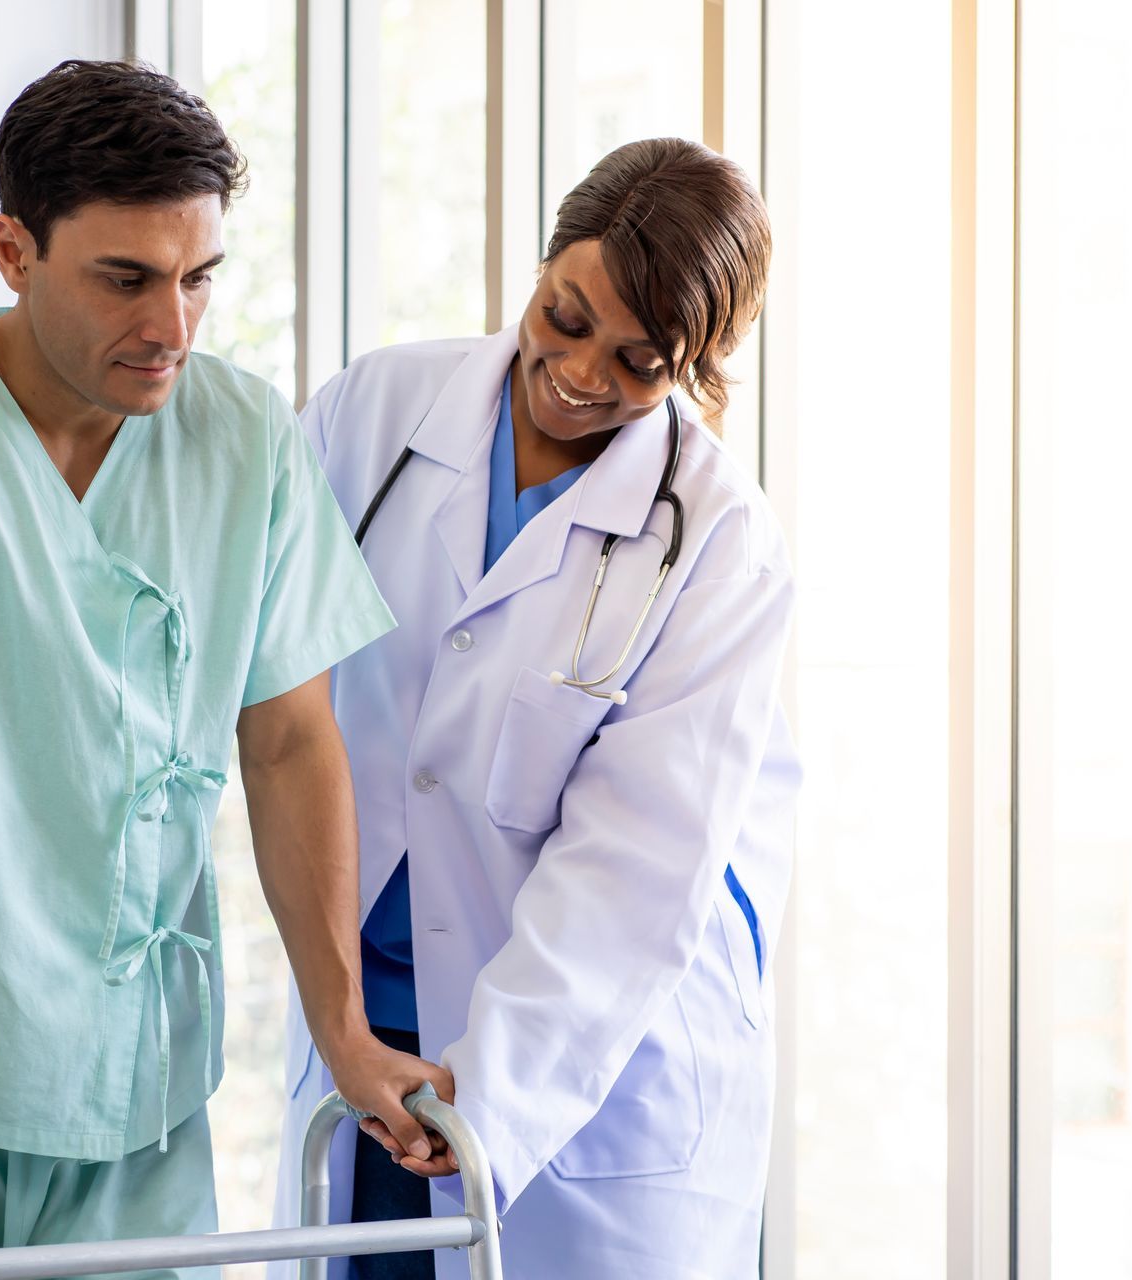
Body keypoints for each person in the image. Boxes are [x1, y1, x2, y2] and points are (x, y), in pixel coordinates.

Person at [0, 59, 446, 1278]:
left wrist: (344, 1031)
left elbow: (290, 743)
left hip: (142, 1082)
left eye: (198, 278)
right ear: (14, 250)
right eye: (126, 279)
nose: (170, 326)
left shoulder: (244, 437)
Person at [271, 138, 799, 1279]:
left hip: (586, 1093)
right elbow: (273, 692)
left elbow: (636, 866)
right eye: (564, 315)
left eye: (640, 361)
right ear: (546, 263)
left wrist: (492, 1102)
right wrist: (345, 1027)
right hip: (369, 1050)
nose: (580, 372)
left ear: (697, 366)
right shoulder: (373, 414)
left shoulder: (717, 541)